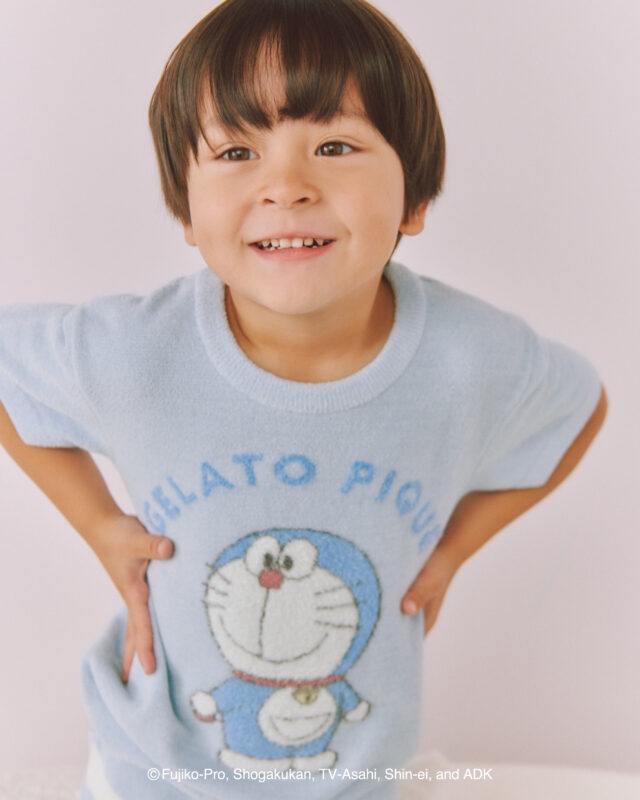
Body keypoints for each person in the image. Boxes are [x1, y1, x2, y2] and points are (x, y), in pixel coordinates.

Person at [0, 0, 606, 798]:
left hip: (354, 773)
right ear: (187, 209)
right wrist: (98, 526)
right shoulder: (137, 352)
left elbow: (578, 409)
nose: (285, 187)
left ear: (415, 199)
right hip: (150, 765)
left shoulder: (468, 359)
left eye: (334, 146)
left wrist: (452, 551)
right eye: (236, 152)